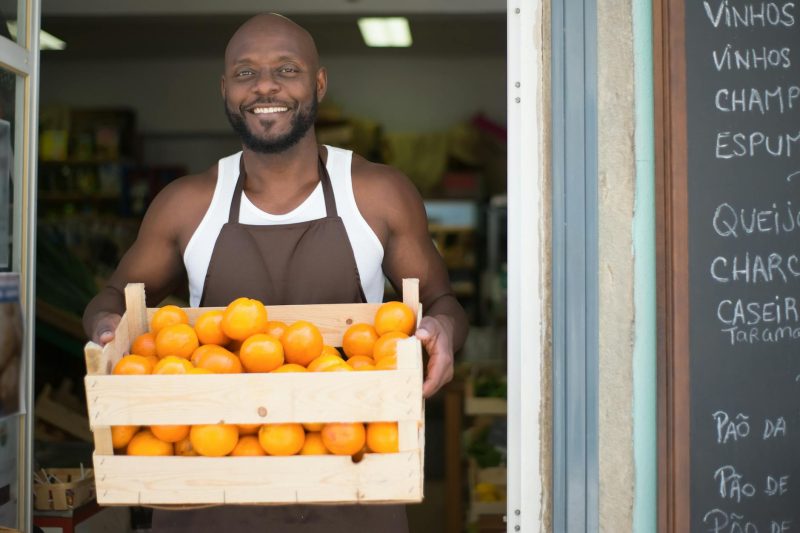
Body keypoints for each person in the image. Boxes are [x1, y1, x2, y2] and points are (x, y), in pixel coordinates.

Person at [82, 12, 468, 533]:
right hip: (210, 495)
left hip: (353, 484)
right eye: (246, 73)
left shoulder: (378, 194)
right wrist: (108, 334)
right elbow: (110, 298)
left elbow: (443, 302)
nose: (265, 85)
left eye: (287, 70)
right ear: (225, 89)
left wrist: (442, 332)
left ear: (319, 83)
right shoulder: (187, 205)